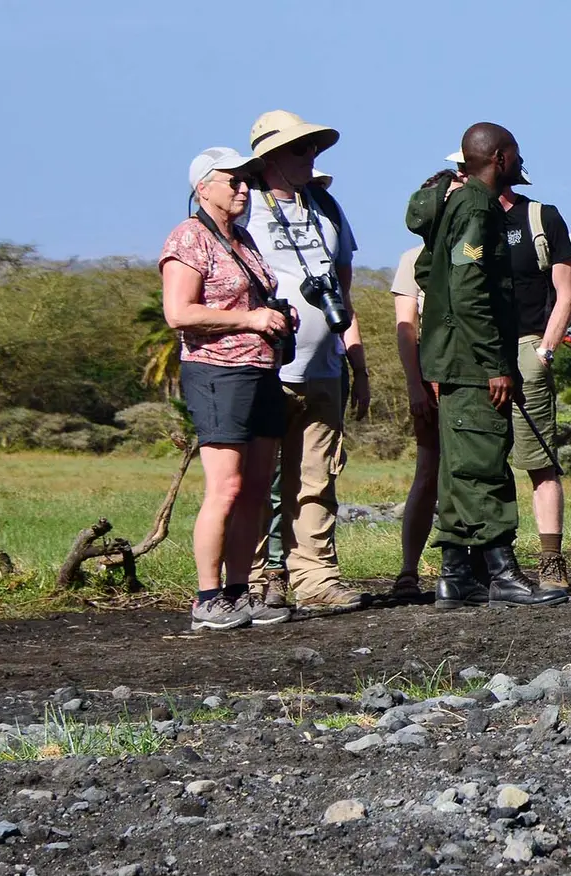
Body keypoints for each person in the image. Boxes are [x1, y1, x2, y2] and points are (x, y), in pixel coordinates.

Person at [405, 122, 564, 608]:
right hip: (474, 362)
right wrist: (497, 362)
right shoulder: (478, 208)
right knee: (483, 465)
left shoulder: (456, 205)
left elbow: (428, 271)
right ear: (499, 157)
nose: (520, 163)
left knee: (458, 467)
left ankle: (456, 576)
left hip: (455, 358)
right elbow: (471, 288)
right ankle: (501, 572)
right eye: (515, 155)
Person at [159, 148, 292, 631]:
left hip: (261, 371)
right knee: (227, 487)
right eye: (231, 180)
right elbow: (179, 312)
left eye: (245, 181)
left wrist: (276, 316)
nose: (242, 188)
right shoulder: (189, 238)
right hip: (217, 371)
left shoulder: (243, 239)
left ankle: (239, 592)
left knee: (257, 489)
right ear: (203, 188)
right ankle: (206, 597)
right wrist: (249, 318)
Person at [243, 110, 369, 612]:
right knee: (256, 478)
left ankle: (315, 577)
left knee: (317, 479)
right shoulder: (244, 206)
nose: (310, 156)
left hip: (324, 368)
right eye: (300, 148)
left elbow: (343, 290)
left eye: (313, 147)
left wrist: (357, 364)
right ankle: (253, 577)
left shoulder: (327, 206)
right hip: (265, 367)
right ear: (269, 157)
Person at [388, 167, 466, 598]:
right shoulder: (410, 260)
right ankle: (408, 570)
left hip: (470, 381)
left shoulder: (472, 252)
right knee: (428, 471)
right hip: (432, 382)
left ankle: (465, 568)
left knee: (470, 473)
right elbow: (406, 327)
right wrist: (415, 386)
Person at [499, 167, 571, 592]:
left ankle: (551, 561)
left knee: (540, 461)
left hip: (529, 345)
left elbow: (566, 290)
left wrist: (544, 350)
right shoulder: (464, 218)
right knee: (485, 464)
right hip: (478, 353)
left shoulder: (541, 217)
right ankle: (494, 563)